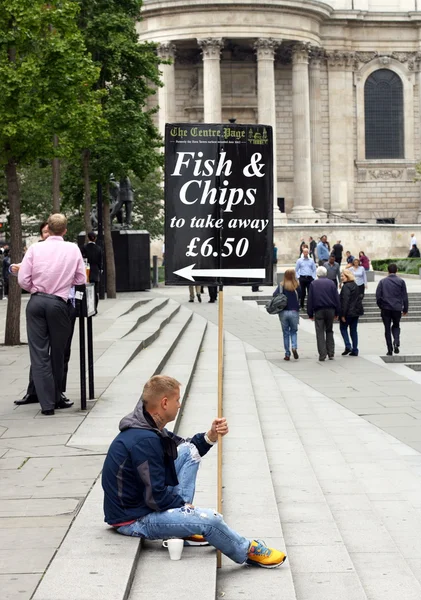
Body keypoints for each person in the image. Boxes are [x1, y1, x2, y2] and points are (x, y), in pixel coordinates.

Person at [102, 375, 287, 568]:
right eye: (177, 400)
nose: (179, 405)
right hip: (134, 519)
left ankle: (183, 525)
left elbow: (185, 446)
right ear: (165, 403)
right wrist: (186, 508)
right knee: (211, 520)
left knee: (189, 450)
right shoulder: (144, 440)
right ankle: (247, 549)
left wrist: (211, 435)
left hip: (141, 505)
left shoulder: (147, 427)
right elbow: (155, 498)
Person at [18, 214, 86, 415]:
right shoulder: (73, 248)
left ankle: (46, 405)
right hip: (58, 303)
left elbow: (23, 279)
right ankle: (57, 396)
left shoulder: (35, 248)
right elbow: (80, 278)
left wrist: (34, 289)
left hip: (37, 301)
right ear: (65, 230)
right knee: (58, 352)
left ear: (48, 228)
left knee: (39, 354)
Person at [307, 266, 340, 361]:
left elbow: (310, 299)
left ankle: (322, 354)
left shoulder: (313, 284)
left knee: (320, 332)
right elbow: (336, 298)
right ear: (326, 273)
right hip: (330, 310)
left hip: (319, 310)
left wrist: (310, 313)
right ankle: (331, 353)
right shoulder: (331, 283)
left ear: (317, 274)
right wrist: (337, 312)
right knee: (329, 330)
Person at [376, 263, 408, 356]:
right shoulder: (401, 281)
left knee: (387, 329)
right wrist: (405, 308)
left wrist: (381, 306)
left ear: (388, 271)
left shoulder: (382, 281)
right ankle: (396, 341)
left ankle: (389, 349)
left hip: (385, 308)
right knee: (396, 325)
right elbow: (404, 296)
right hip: (397, 308)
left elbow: (378, 296)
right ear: (396, 270)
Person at [273, 269, 301, 361]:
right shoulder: (296, 285)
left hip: (283, 312)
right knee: (293, 331)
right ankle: (294, 347)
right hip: (294, 311)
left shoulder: (281, 285)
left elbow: (274, 295)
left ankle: (287, 354)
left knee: (285, 333)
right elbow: (300, 295)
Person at [339, 270, 363, 356]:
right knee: (353, 331)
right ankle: (355, 349)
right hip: (356, 312)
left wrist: (342, 315)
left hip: (348, 312)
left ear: (347, 276)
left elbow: (345, 301)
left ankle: (348, 345)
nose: (341, 278)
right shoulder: (355, 285)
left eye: (343, 276)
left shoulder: (346, 287)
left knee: (343, 328)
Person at [82, 231, 102, 312]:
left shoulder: (84, 248)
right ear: (95, 238)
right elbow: (100, 261)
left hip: (86, 271)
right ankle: (94, 308)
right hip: (95, 271)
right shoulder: (99, 249)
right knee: (94, 291)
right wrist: (100, 269)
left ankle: (87, 308)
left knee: (86, 290)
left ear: (88, 238)